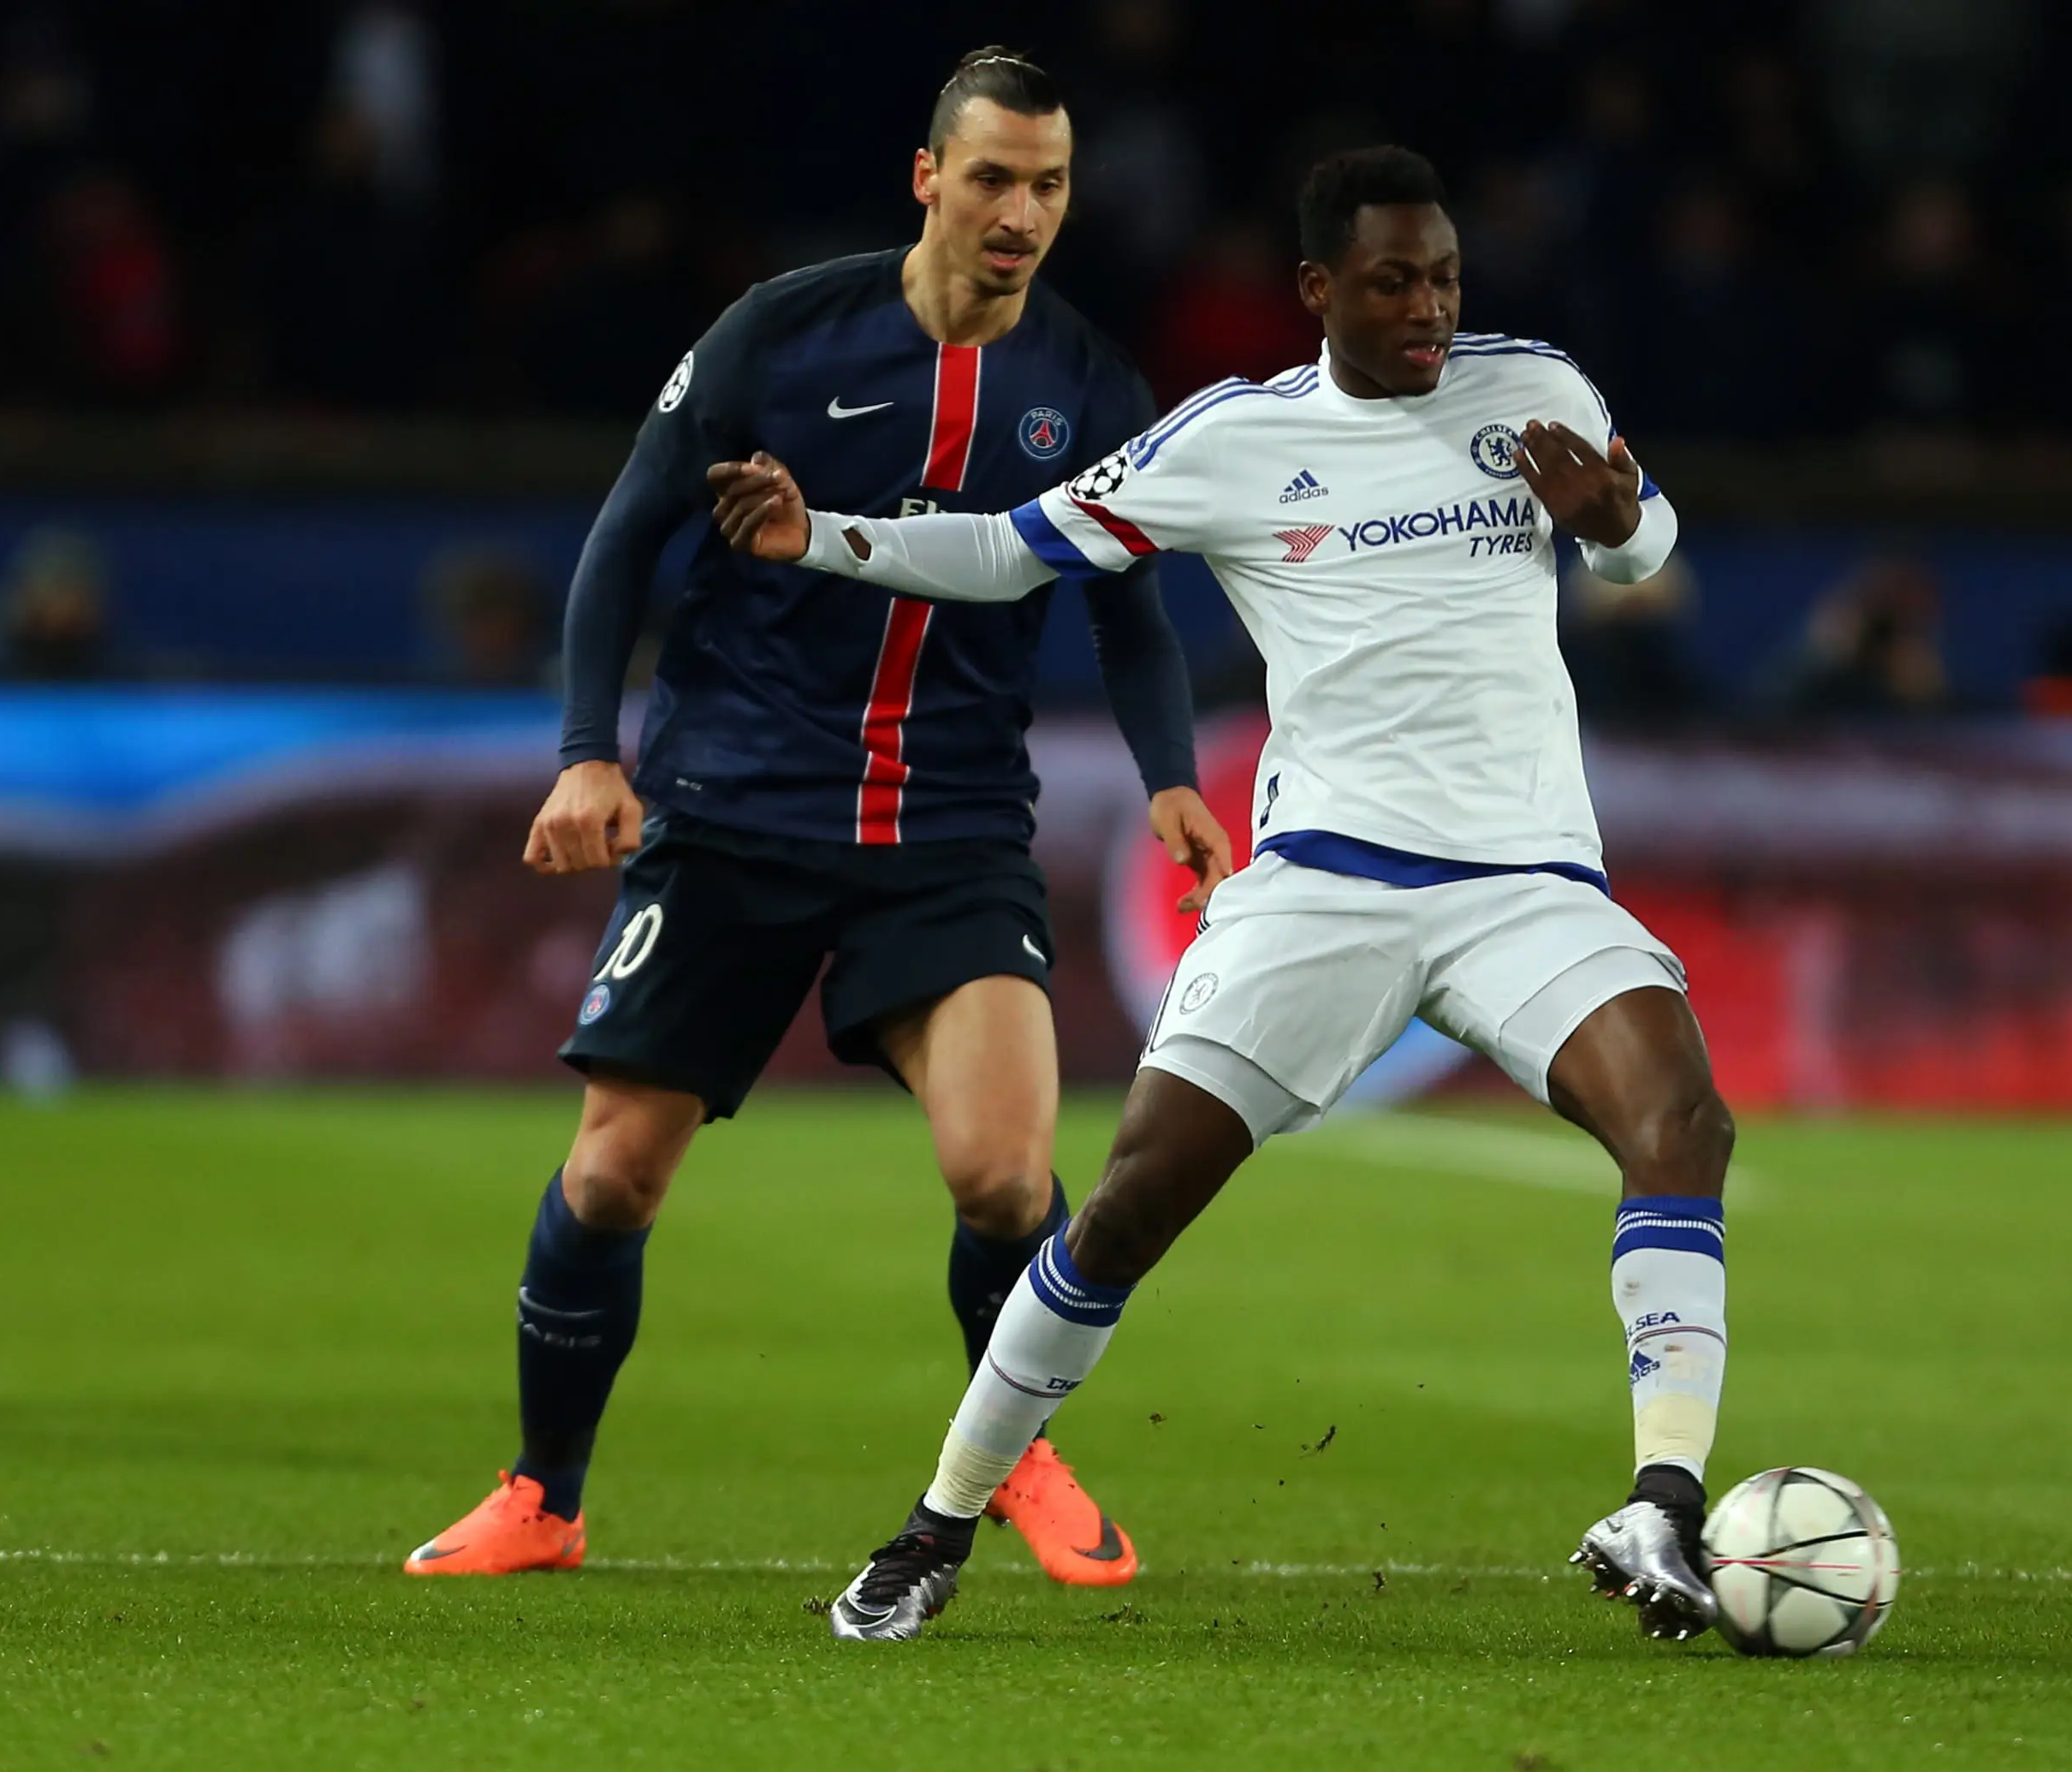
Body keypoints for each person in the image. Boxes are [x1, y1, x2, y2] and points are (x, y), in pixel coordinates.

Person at [711, 144, 1737, 1644]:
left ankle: (1662, 1502)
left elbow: (1646, 556)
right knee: (1124, 1209)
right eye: (1393, 280)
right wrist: (829, 538)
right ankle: (933, 1527)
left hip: (1527, 879)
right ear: (1319, 289)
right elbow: (1009, 552)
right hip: (1323, 884)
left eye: (1444, 275)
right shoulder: (1233, 441)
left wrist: (1616, 519)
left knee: (1681, 1120)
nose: (1429, 307)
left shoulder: (1536, 388)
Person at [404, 47, 1232, 1589]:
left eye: (1048, 186)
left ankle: (1014, 1449)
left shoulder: (1091, 389)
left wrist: (1170, 769)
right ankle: (545, 1493)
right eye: (991, 177)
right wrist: (590, 750)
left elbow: (1129, 612)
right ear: (927, 176)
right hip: (734, 805)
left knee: (1007, 1175)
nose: (1020, 211)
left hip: (952, 824)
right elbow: (623, 541)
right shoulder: (779, 336)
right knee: (609, 1179)